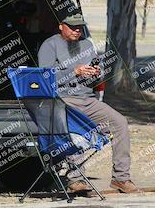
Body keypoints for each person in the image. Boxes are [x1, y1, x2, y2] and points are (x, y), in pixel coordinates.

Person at [38, 14, 141, 194]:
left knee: (119, 123)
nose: (77, 30)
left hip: (88, 99)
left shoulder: (86, 45)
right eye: (72, 26)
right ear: (61, 26)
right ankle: (76, 180)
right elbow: (43, 78)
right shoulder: (49, 45)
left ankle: (121, 178)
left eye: (80, 27)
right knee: (76, 129)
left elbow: (99, 77)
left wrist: (96, 73)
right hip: (63, 99)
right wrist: (74, 71)